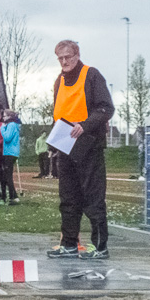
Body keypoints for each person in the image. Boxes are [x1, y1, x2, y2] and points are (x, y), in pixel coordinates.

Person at [46, 40, 115, 260]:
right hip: (65, 146)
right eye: (60, 58)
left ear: (77, 55)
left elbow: (106, 108)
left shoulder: (91, 75)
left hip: (89, 145)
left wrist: (84, 126)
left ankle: (100, 246)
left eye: (68, 57)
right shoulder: (59, 81)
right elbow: (59, 112)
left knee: (93, 197)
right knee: (68, 197)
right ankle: (69, 244)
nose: (64, 62)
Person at [0, 110, 21, 205]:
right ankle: (13, 195)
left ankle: (13, 196)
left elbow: (7, 137)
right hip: (11, 152)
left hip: (10, 152)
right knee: (7, 175)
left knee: (7, 175)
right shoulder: (13, 125)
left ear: (9, 116)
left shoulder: (11, 125)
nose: (3, 118)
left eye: (4, 116)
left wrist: (2, 129)